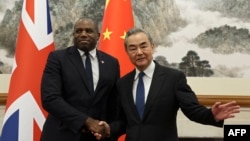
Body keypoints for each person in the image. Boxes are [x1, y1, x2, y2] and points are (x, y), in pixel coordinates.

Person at [94, 27, 241, 141]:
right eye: (132, 48)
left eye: (143, 46)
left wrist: (212, 115)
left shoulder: (173, 78)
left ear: (152, 46)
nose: (139, 52)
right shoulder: (123, 83)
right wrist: (109, 129)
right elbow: (124, 121)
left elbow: (192, 110)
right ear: (127, 52)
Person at [40, 17, 120, 141]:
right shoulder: (58, 58)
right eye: (78, 31)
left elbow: (114, 104)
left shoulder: (111, 63)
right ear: (73, 35)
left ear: (98, 35)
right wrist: (86, 121)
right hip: (63, 134)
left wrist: (107, 128)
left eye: (88, 31)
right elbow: (50, 99)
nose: (83, 34)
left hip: (97, 137)